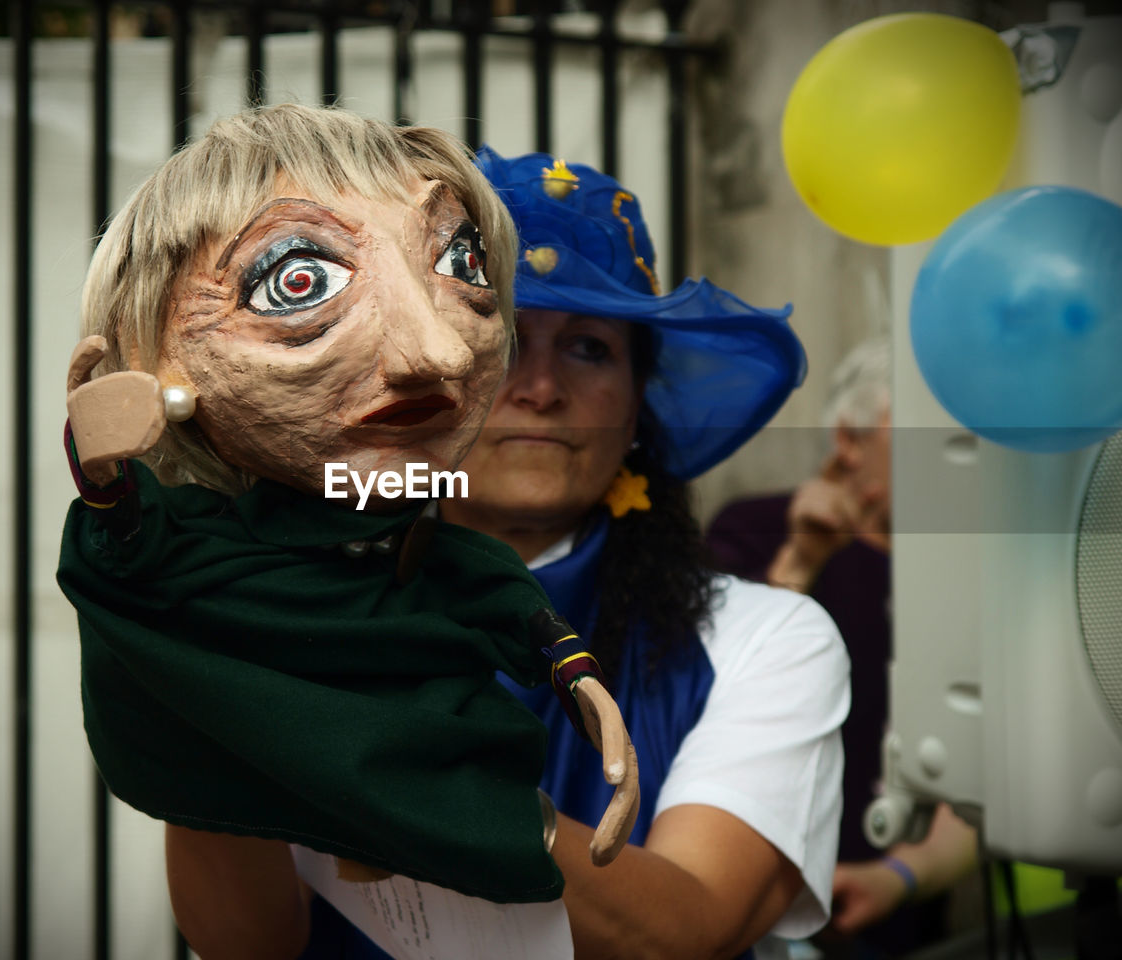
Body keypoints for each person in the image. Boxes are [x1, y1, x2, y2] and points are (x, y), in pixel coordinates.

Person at [54, 104, 642, 960]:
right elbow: (247, 939)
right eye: (300, 280)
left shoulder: (743, 636)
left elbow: (691, 927)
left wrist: (578, 703)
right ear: (157, 353)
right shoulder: (201, 578)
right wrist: (99, 470)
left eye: (460, 265)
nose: (434, 353)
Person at [433, 149, 849, 960]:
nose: (542, 388)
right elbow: (244, 938)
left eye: (588, 347)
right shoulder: (305, 604)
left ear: (636, 412)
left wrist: (416, 780)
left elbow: (685, 928)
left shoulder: (766, 640)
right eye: (504, 338)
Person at [705, 336, 978, 958]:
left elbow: (981, 773)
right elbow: (700, 709)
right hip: (753, 921)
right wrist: (800, 561)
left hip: (904, 927)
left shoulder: (967, 573)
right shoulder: (754, 529)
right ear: (851, 441)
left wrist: (901, 877)